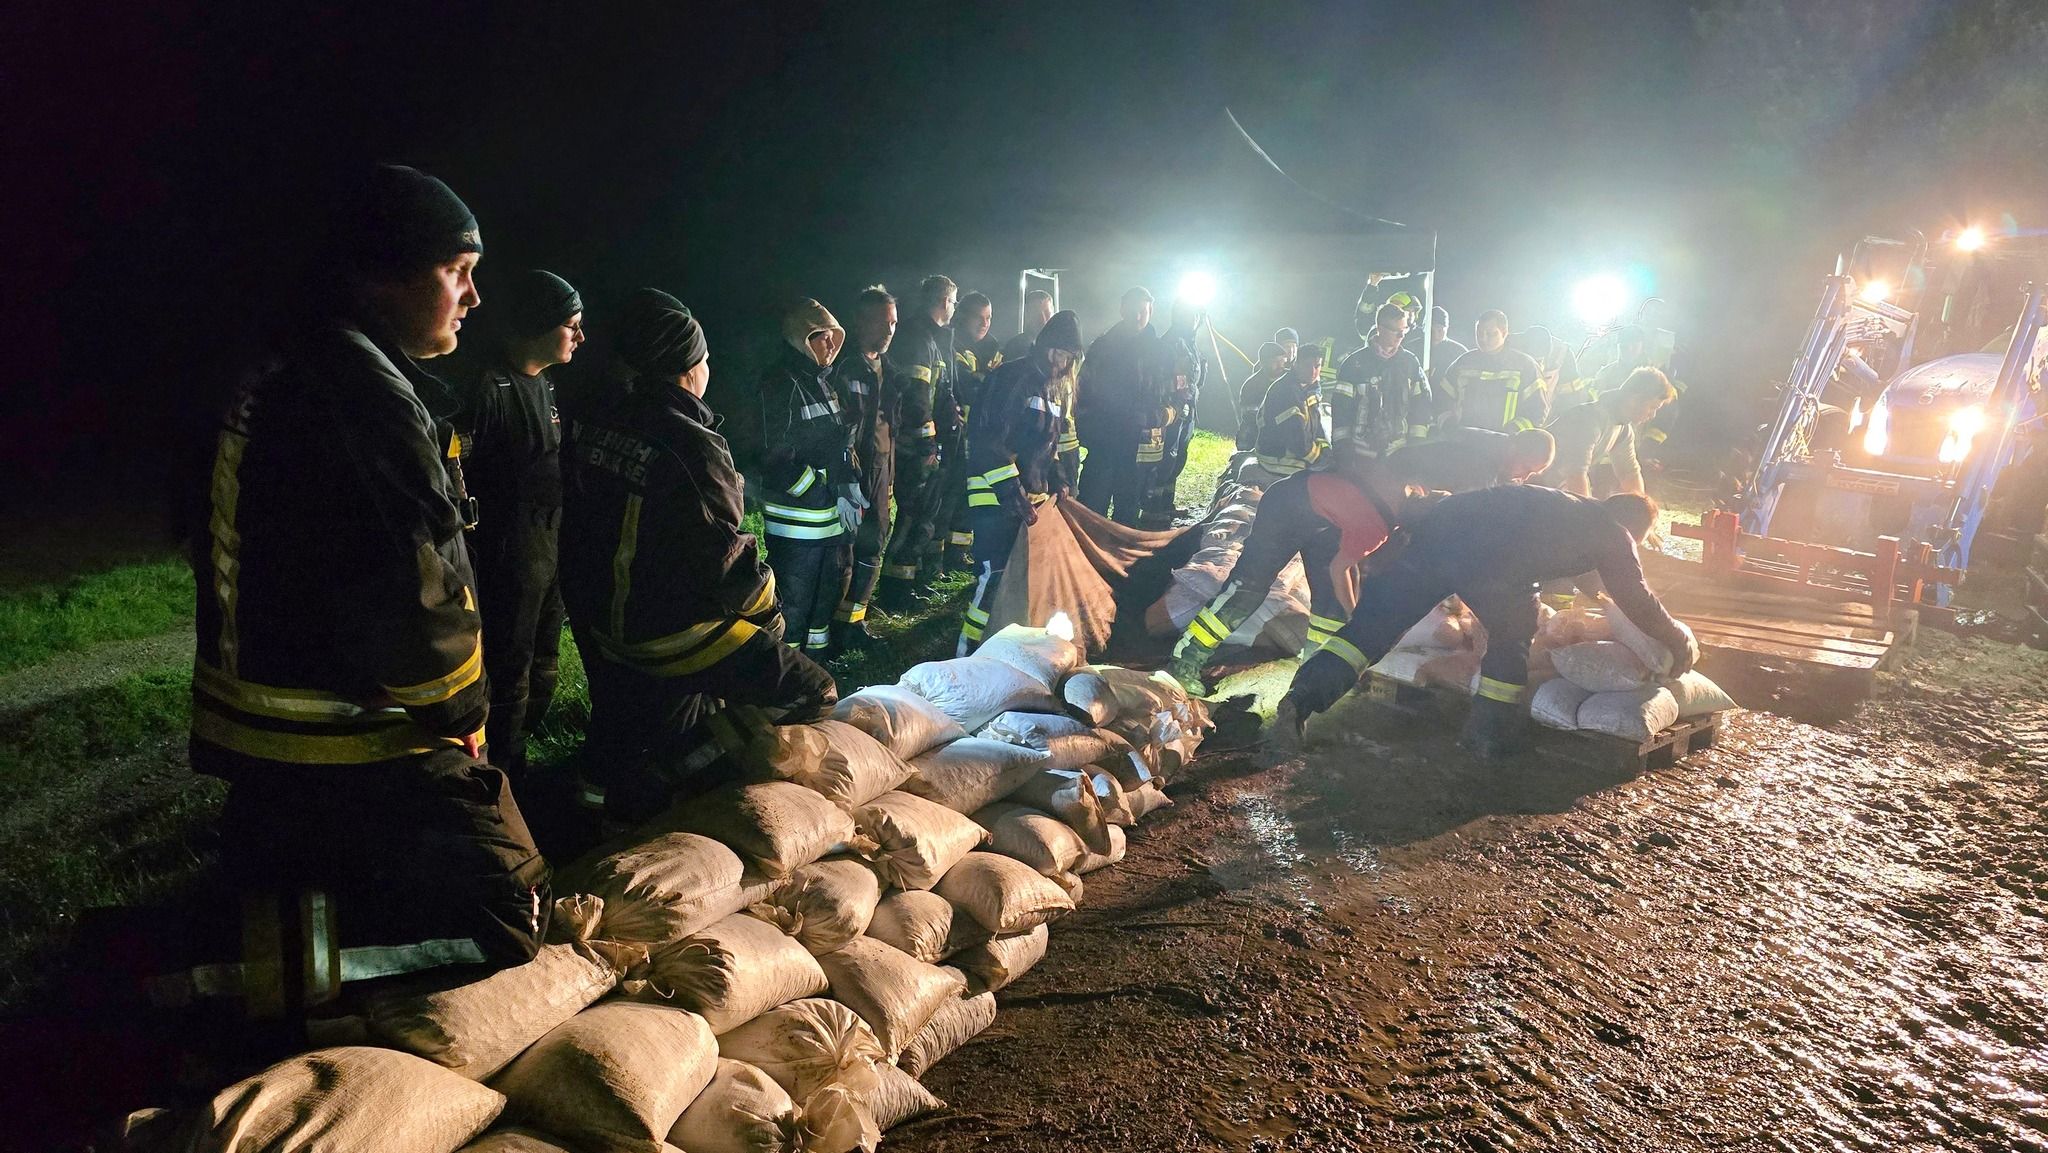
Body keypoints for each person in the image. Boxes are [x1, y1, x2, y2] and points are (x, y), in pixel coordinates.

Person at [188, 164, 549, 967]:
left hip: (281, 721)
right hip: (345, 737)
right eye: (456, 273)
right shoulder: (361, 395)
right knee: (507, 917)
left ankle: (271, 944)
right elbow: (411, 590)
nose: (473, 297)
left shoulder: (294, 365)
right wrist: (463, 715)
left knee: (330, 894)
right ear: (379, 275)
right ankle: (198, 971)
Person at [560, 289, 837, 821]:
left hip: (603, 619)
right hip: (670, 627)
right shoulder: (688, 443)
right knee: (811, 689)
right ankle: (674, 772)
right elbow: (725, 557)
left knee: (637, 713)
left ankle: (588, 806)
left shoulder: (604, 417)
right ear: (689, 366)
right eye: (705, 358)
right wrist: (768, 620)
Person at [1274, 487, 1696, 756]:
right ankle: (1487, 734)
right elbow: (1637, 600)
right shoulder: (1613, 534)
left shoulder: (1569, 507)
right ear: (1633, 529)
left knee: (1371, 628)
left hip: (1433, 540)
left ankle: (1301, 698)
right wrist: (1677, 640)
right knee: (1514, 634)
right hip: (1491, 563)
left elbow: (1579, 567)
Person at [438, 268, 584, 783]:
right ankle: (503, 765)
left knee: (545, 647)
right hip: (508, 548)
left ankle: (527, 742)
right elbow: (455, 475)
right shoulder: (487, 387)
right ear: (538, 325)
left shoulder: (545, 383)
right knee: (510, 655)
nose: (580, 337)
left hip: (548, 539)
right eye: (571, 324)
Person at [1167, 453, 1415, 693]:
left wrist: (1351, 613)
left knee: (1331, 608)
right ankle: (1186, 659)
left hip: (1324, 521)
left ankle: (1315, 676)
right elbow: (1340, 569)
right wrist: (1355, 617)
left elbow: (1351, 567)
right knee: (1247, 590)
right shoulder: (1377, 528)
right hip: (1285, 508)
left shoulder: (1405, 496)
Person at [958, 311, 1085, 653]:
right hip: (993, 491)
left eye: (1068, 356)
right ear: (1045, 347)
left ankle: (1003, 646)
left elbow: (1048, 446)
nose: (1061, 362)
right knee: (994, 574)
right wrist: (1011, 492)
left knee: (1021, 576)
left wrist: (1058, 479)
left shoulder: (1055, 390)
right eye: (1058, 353)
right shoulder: (1013, 378)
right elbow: (988, 443)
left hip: (1026, 496)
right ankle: (967, 651)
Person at [757, 299, 857, 657]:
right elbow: (774, 457)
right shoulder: (780, 383)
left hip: (827, 519)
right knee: (794, 606)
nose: (830, 345)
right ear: (801, 339)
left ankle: (817, 669)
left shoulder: (825, 382)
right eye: (821, 337)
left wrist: (849, 482)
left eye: (833, 337)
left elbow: (840, 441)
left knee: (824, 601)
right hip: (796, 524)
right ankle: (789, 679)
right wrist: (819, 492)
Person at [877, 274, 958, 609]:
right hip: (915, 446)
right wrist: (927, 444)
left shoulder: (930, 337)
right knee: (913, 513)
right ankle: (897, 590)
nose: (953, 308)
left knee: (925, 511)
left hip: (926, 443)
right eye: (953, 301)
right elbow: (916, 398)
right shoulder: (918, 338)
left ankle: (912, 579)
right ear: (943, 301)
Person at [831, 286, 902, 651]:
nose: (889, 330)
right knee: (843, 549)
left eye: (893, 322)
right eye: (881, 322)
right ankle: (828, 626)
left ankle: (854, 621)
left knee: (874, 544)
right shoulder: (841, 366)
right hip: (851, 472)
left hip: (881, 469)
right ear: (859, 322)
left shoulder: (890, 371)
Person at [1075, 286, 1162, 525]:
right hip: (1104, 437)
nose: (1137, 316)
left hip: (1140, 441)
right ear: (1122, 309)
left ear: (1151, 311)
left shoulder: (1160, 351)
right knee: (1093, 502)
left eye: (1142, 311)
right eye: (1133, 310)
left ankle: (1123, 555)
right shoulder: (1103, 346)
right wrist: (1087, 426)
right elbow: (1084, 388)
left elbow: (1165, 393)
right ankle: (1089, 553)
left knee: (1130, 503)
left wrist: (1159, 416)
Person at [1534, 367, 1676, 497]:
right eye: (1653, 407)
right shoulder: (1589, 421)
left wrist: (1642, 511)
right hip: (1533, 490)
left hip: (1551, 491)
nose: (1653, 416)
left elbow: (1629, 473)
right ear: (1634, 398)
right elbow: (1575, 475)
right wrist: (1587, 515)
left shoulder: (1622, 429)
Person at [1329, 301, 1430, 470]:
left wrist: (1417, 447)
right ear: (1380, 328)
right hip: (1362, 456)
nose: (1402, 336)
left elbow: (1421, 404)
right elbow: (1341, 409)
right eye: (1397, 332)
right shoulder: (1354, 364)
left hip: (1400, 454)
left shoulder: (1409, 363)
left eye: (1404, 330)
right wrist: (1343, 450)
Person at [940, 291, 999, 570]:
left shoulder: (993, 346)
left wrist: (983, 381)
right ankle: (938, 556)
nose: (984, 324)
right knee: (949, 494)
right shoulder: (951, 344)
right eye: (979, 317)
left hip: (978, 435)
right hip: (954, 433)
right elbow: (966, 387)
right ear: (963, 316)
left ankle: (958, 553)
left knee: (967, 496)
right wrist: (986, 380)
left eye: (988, 318)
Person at [1142, 299, 1207, 527]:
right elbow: (1169, 380)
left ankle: (1166, 504)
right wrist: (1176, 401)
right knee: (1165, 458)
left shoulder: (1190, 343)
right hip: (1171, 411)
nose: (1194, 320)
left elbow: (1194, 378)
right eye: (1190, 316)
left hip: (1186, 410)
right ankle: (1152, 508)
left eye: (1196, 316)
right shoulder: (1170, 343)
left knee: (1178, 457)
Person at [1439, 310, 1549, 433]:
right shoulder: (1462, 363)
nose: (1483, 339)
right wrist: (1449, 424)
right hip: (1466, 442)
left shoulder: (1526, 366)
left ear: (1505, 332)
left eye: (1491, 334)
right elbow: (1442, 399)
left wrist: (1514, 431)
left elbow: (1538, 410)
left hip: (1506, 446)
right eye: (1479, 333)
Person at [1386, 426, 1555, 494]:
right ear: (1513, 449)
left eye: (1532, 473)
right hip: (1393, 486)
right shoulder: (1479, 465)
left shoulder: (1499, 447)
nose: (1524, 477)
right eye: (1526, 468)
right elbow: (1463, 513)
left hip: (1401, 477)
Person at [1252, 342, 1327, 478]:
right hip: (1279, 460)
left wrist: (1326, 451)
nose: (1313, 372)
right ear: (1296, 364)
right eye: (1307, 366)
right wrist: (1321, 460)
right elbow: (1296, 438)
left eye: (1317, 366)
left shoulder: (1310, 388)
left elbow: (1317, 427)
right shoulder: (1286, 391)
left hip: (1296, 455)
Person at [1235, 342, 1287, 451]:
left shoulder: (1289, 380)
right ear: (1263, 363)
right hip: (1255, 435)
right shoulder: (1251, 386)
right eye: (1275, 361)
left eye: (1282, 360)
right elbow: (1250, 416)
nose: (1280, 365)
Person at [1589, 326, 1652, 401]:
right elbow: (1594, 401)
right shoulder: (1605, 373)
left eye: (1634, 345)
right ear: (1618, 347)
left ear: (1643, 347)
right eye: (1624, 346)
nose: (1629, 349)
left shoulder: (1653, 374)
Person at [999, 287, 1054, 367]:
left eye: (1047, 313)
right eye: (1036, 313)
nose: (1043, 319)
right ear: (1027, 316)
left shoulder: (1061, 347)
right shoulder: (1016, 347)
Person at [1428, 305, 1468, 395]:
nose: (1435, 335)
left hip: (1447, 402)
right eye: (1431, 330)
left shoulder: (1459, 352)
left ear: (1447, 328)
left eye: (1439, 330)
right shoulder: (1415, 348)